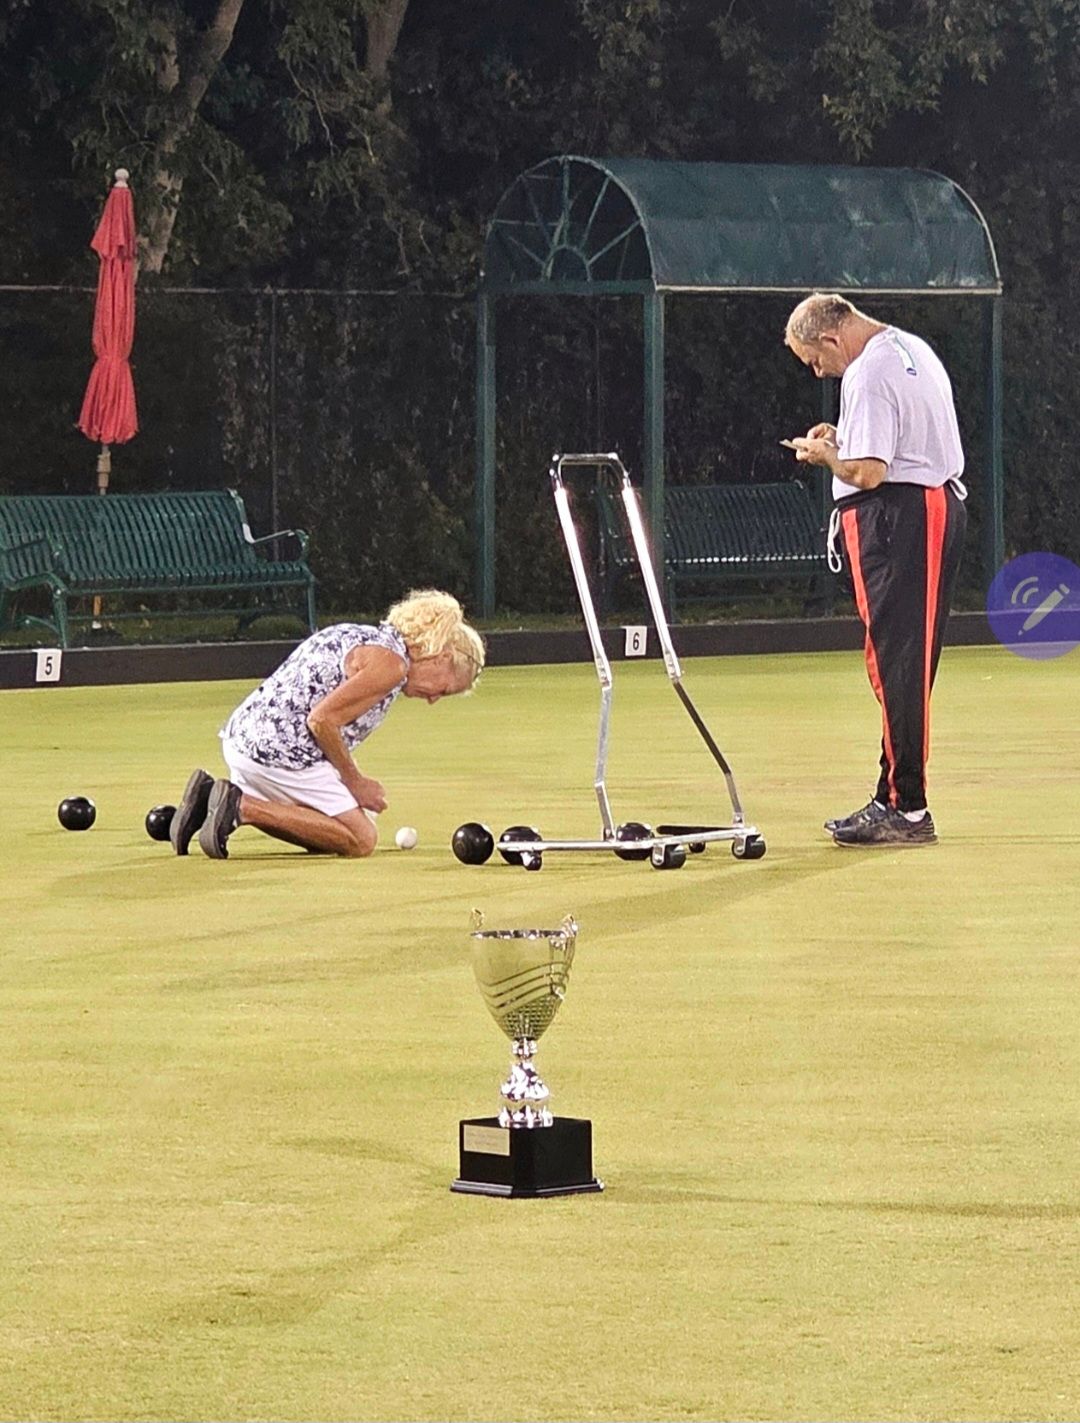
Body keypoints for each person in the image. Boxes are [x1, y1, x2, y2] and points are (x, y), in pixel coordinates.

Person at [783, 292, 967, 847]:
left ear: (830, 338)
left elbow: (868, 473)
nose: (819, 372)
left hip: (898, 519)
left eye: (814, 360)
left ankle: (907, 808)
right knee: (905, 664)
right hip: (930, 509)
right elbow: (900, 446)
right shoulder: (910, 349)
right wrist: (843, 440)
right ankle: (895, 797)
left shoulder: (866, 373)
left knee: (898, 665)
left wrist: (827, 457)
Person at [169, 589, 485, 860]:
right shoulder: (392, 665)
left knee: (324, 829)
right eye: (444, 690)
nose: (434, 699)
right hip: (281, 754)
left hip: (243, 742)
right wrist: (355, 781)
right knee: (360, 839)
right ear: (441, 656)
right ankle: (241, 806)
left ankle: (208, 798)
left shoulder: (363, 636)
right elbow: (321, 720)